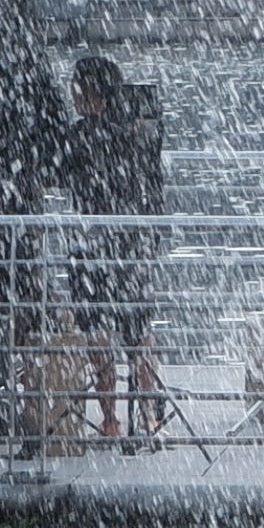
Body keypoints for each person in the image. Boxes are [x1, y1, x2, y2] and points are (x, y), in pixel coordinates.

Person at [57, 53, 170, 445]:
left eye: (76, 88)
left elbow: (60, 175)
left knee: (97, 333)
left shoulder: (79, 136)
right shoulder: (141, 133)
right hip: (134, 241)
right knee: (139, 333)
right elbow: (153, 183)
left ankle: (109, 419)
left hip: (94, 243)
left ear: (89, 93)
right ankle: (148, 414)